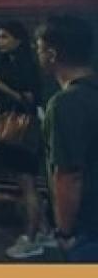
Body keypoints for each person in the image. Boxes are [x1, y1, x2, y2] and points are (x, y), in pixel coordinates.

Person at [0, 20, 49, 258]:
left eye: (5, 37)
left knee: (28, 183)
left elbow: (28, 100)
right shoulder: (5, 63)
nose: (0, 42)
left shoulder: (27, 64)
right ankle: (43, 230)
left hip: (25, 129)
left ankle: (31, 237)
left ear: (19, 39)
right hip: (10, 127)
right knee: (23, 183)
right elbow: (4, 97)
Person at [37, 15, 98, 261]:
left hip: (86, 230)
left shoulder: (65, 104)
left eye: (39, 48)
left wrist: (64, 232)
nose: (37, 54)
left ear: (52, 54)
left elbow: (69, 175)